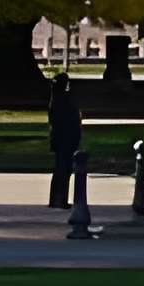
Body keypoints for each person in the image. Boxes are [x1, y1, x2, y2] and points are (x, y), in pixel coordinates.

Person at [46, 68, 84, 208]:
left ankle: (57, 199)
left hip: (61, 139)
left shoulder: (56, 99)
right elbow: (72, 119)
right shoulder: (64, 100)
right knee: (64, 170)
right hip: (66, 139)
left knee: (60, 170)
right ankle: (60, 199)